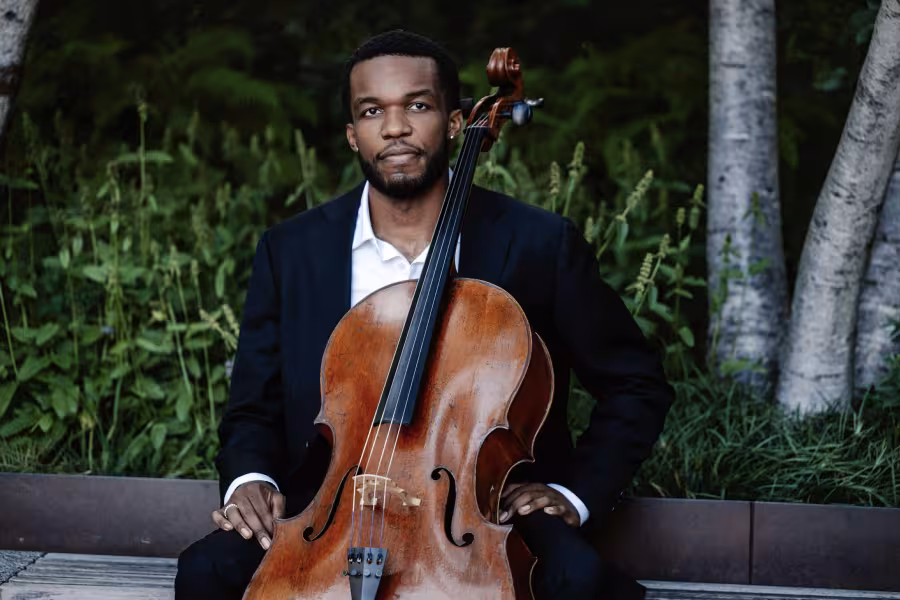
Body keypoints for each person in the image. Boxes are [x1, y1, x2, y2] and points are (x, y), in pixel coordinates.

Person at [175, 29, 674, 600]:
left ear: (457, 123)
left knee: (579, 582)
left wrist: (574, 493)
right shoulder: (292, 252)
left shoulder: (540, 244)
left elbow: (635, 383)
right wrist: (251, 482)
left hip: (482, 508)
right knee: (204, 573)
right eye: (371, 111)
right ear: (351, 134)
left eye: (417, 105)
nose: (395, 128)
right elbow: (251, 408)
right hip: (327, 509)